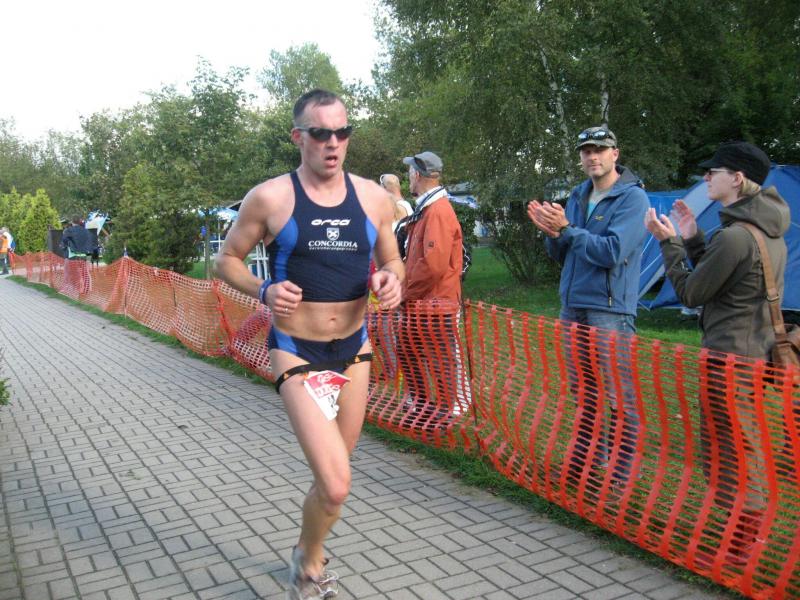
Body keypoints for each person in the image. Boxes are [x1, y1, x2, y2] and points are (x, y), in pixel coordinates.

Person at [214, 89, 404, 600]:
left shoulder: (373, 198)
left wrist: (391, 279)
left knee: (331, 480)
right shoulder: (270, 197)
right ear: (298, 136)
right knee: (337, 484)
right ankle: (308, 566)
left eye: (342, 132)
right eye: (321, 133)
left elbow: (393, 261)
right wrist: (264, 290)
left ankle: (307, 552)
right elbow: (226, 260)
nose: (333, 142)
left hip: (355, 351)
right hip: (297, 349)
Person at [645, 141, 788, 564]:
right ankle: (740, 537)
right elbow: (726, 278)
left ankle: (743, 547)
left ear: (737, 179)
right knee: (740, 446)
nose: (706, 178)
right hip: (751, 354)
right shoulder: (762, 229)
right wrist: (693, 239)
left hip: (729, 360)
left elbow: (692, 292)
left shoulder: (735, 237)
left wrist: (670, 243)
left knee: (735, 451)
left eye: (714, 172)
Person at [527, 126, 649, 491]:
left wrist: (566, 230)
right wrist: (552, 234)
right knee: (584, 393)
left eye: (599, 149)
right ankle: (585, 464)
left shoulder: (633, 199)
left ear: (615, 154)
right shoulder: (579, 195)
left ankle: (622, 475)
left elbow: (611, 252)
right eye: (586, 151)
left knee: (619, 396)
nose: (592, 156)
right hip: (573, 306)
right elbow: (563, 253)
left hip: (610, 311)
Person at [395, 151, 466, 428]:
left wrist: (405, 292)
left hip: (435, 304)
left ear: (417, 175)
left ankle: (443, 415)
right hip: (423, 302)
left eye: (410, 173)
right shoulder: (427, 209)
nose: (408, 179)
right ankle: (424, 408)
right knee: (408, 351)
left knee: (439, 362)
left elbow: (433, 265)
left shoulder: (437, 211)